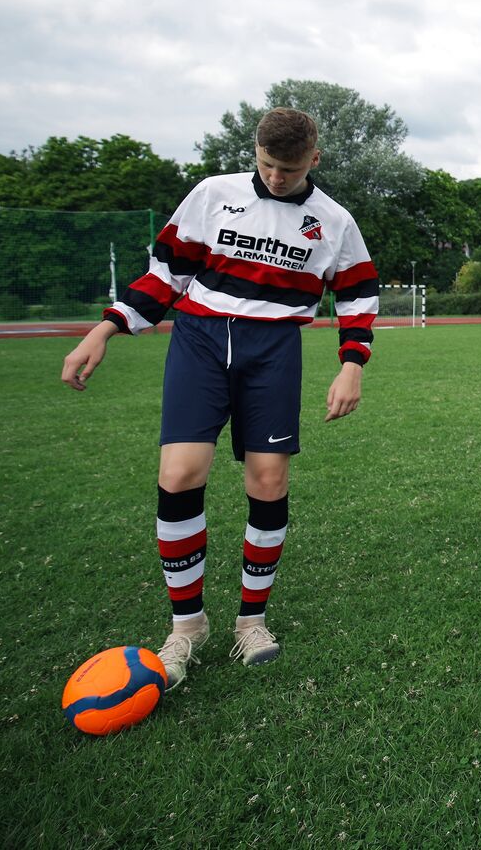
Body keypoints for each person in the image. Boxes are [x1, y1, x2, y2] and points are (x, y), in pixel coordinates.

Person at [60, 108, 378, 689]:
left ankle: (251, 621)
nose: (275, 178)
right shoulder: (212, 194)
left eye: (287, 168)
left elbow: (357, 297)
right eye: (265, 165)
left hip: (274, 349)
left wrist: (352, 366)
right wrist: (104, 330)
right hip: (200, 340)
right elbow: (166, 274)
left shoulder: (333, 221)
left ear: (314, 159)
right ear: (253, 153)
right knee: (180, 475)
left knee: (268, 482)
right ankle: (187, 627)